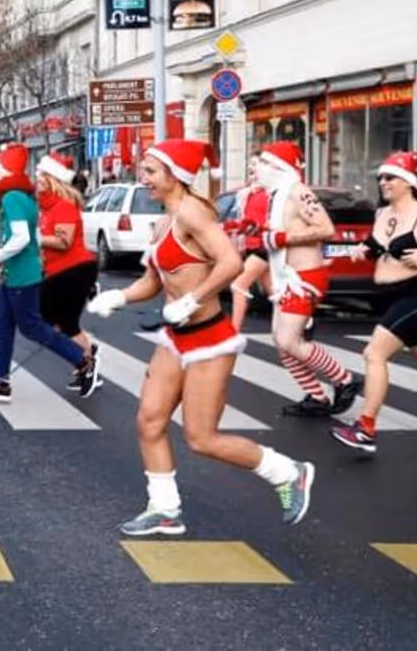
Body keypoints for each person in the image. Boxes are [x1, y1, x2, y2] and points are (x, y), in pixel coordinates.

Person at [87, 138, 314, 535]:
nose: (144, 178)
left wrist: (193, 299)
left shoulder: (192, 213)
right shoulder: (164, 221)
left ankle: (288, 472)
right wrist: (119, 296)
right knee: (149, 421)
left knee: (201, 438)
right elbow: (153, 281)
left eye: (151, 172)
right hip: (175, 338)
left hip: (209, 339)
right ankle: (164, 509)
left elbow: (230, 262)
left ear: (176, 175)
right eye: (143, 170)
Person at [0, 146, 98, 403]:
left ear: (7, 170)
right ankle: (0, 381)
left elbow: (21, 238)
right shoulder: (25, 198)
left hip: (23, 274)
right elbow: (31, 238)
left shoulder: (12, 197)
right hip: (16, 271)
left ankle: (83, 360)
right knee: (2, 323)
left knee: (32, 327)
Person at [333, 152, 417, 454]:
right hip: (393, 297)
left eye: (391, 177)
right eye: (381, 177)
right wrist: (361, 251)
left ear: (409, 182)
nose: (383, 182)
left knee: (374, 353)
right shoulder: (382, 213)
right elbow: (376, 246)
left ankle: (365, 428)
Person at [254, 142, 361, 417]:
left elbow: (326, 228)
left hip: (305, 277)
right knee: (281, 342)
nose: (259, 168)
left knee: (289, 340)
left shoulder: (298, 192)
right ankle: (317, 397)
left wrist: (283, 238)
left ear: (280, 167)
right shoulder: (276, 195)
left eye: (265, 163)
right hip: (286, 277)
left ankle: (345, 379)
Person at [34, 153, 102, 391]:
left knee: (57, 322)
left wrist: (33, 238)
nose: (37, 179)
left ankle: (87, 361)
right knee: (60, 322)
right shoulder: (48, 208)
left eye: (42, 175)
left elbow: (64, 241)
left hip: (74, 270)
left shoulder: (64, 206)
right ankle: (87, 355)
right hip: (60, 271)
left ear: (54, 179)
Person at [224, 155, 273, 332]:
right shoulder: (247, 193)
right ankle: (303, 322)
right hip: (252, 245)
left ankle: (233, 331)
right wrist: (235, 228)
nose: (251, 167)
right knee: (274, 292)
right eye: (250, 164)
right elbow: (246, 220)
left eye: (255, 164)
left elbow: (273, 221)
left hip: (265, 246)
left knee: (238, 285)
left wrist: (258, 227)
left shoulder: (270, 193)